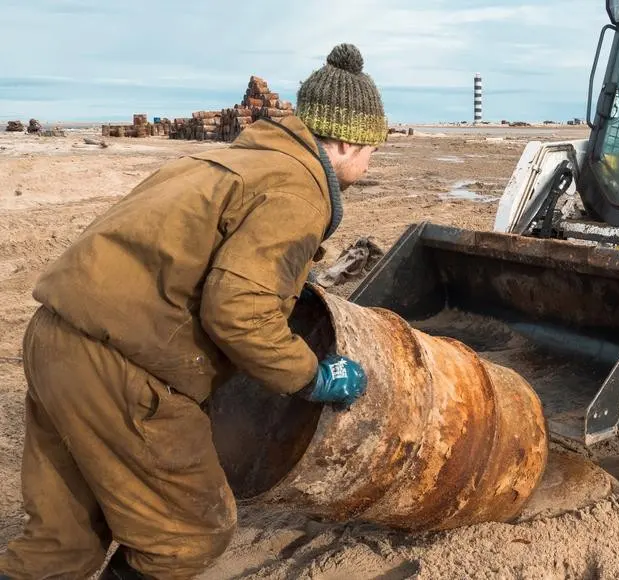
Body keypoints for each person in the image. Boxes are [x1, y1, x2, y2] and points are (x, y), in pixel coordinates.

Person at [0, 43, 385, 580]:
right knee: (187, 533)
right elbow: (238, 313)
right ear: (347, 140)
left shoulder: (236, 158)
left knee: (62, 542)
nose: (372, 161)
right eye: (373, 149)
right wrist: (311, 375)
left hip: (56, 338)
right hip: (123, 366)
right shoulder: (298, 190)